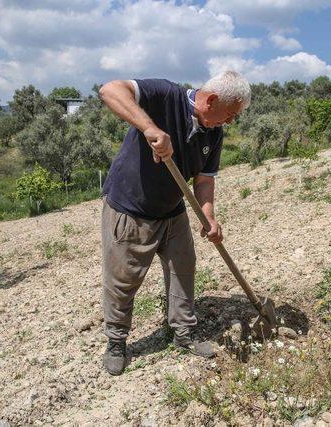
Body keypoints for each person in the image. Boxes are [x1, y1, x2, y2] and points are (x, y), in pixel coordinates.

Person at [98, 70, 251, 375]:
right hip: (132, 207)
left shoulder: (214, 132)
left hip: (172, 209)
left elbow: (205, 179)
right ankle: (116, 341)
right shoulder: (165, 95)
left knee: (183, 268)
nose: (231, 122)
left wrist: (208, 216)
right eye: (231, 114)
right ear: (210, 99)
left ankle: (183, 333)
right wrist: (150, 128)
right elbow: (110, 90)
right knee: (123, 279)